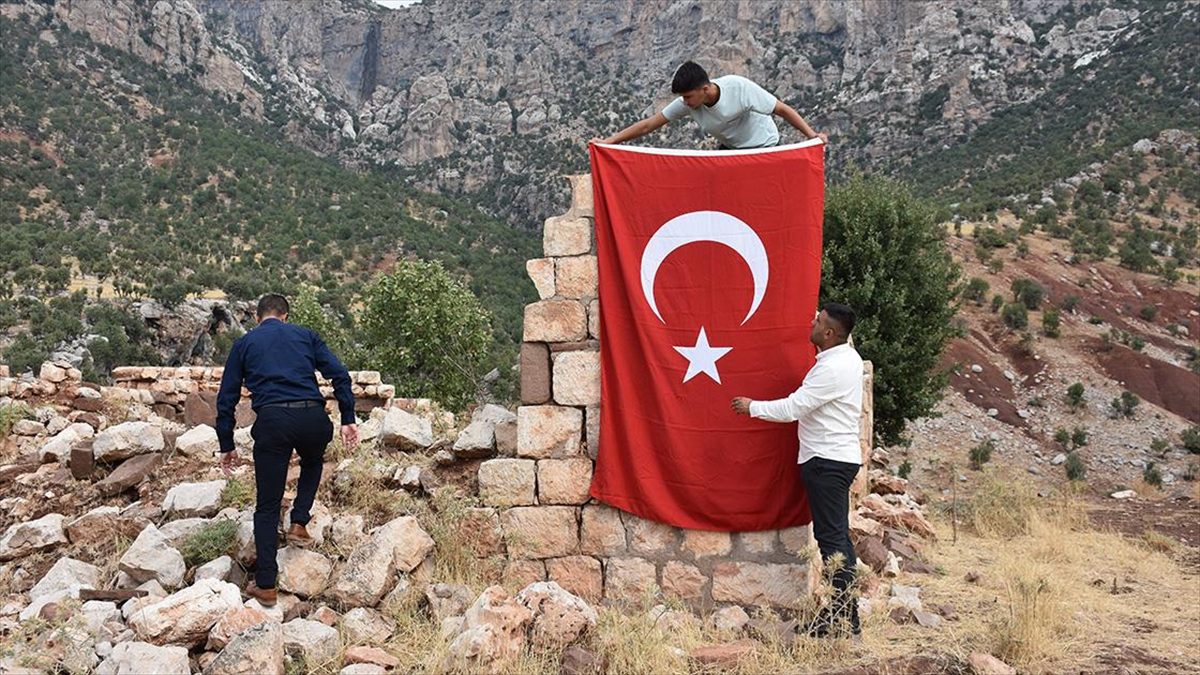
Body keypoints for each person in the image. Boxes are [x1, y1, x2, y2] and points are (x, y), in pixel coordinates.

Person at [216, 293, 358, 606]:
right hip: (312, 416)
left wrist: (226, 443)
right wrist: (348, 417)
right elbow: (340, 374)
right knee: (312, 461)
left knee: (267, 505)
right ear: (286, 316)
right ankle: (299, 520)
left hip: (273, 421)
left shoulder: (245, 344)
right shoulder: (306, 336)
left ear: (257, 318)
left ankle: (266, 584)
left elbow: (226, 397)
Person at [730, 302, 863, 638]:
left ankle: (840, 620)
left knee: (832, 541)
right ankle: (845, 617)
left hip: (827, 462)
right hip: (834, 459)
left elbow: (794, 407)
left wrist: (752, 407)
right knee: (836, 540)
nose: (812, 322)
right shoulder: (845, 359)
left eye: (818, 321)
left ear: (830, 333)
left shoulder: (832, 369)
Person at [592, 60, 825, 149]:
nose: (685, 102)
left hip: (764, 145)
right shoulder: (689, 103)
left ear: (705, 89)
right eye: (682, 98)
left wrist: (812, 135)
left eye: (688, 97)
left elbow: (782, 109)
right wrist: (609, 142)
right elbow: (648, 125)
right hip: (731, 149)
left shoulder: (739, 88)